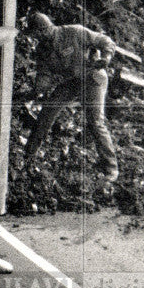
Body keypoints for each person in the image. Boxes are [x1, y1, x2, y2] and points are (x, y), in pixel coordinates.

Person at [22, 12, 119, 182]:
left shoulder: (74, 32)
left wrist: (106, 57)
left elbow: (106, 42)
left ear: (43, 30)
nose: (35, 38)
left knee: (95, 122)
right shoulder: (43, 49)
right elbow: (44, 73)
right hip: (73, 82)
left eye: (36, 34)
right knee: (47, 113)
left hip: (93, 78)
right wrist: (38, 89)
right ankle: (28, 156)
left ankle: (111, 168)